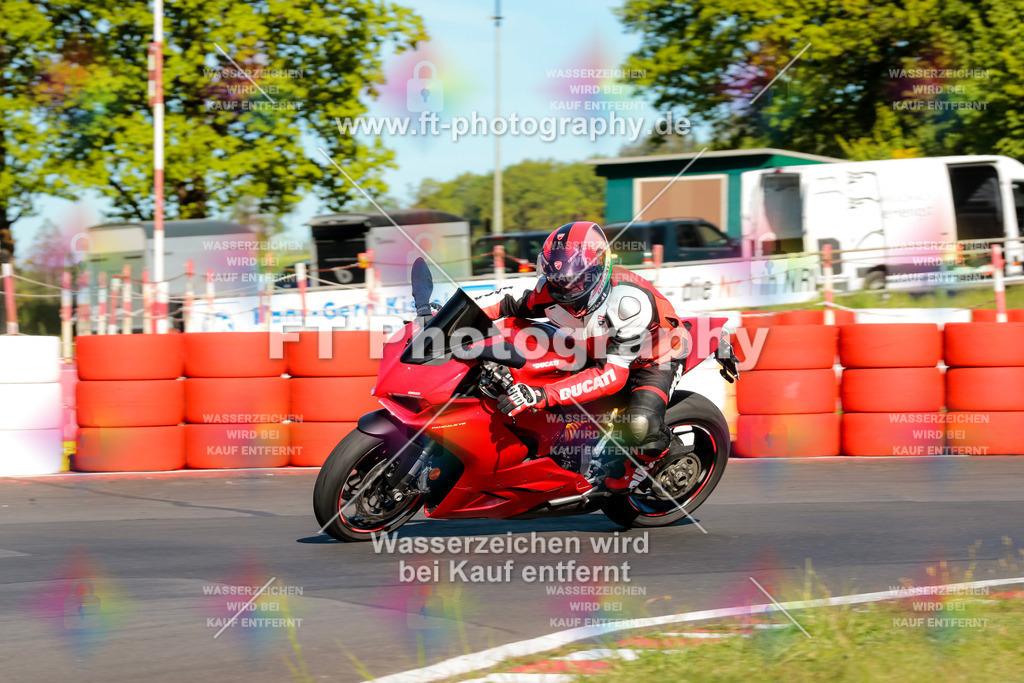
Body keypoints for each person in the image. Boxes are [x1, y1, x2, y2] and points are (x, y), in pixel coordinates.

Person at [478, 221, 698, 491]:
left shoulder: (628, 304)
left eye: (576, 278)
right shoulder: (551, 290)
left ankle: (655, 458)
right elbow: (504, 301)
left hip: (654, 357)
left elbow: (612, 377)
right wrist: (450, 317)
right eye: (559, 279)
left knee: (641, 424)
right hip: (595, 347)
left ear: (598, 268)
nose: (567, 289)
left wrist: (541, 394)